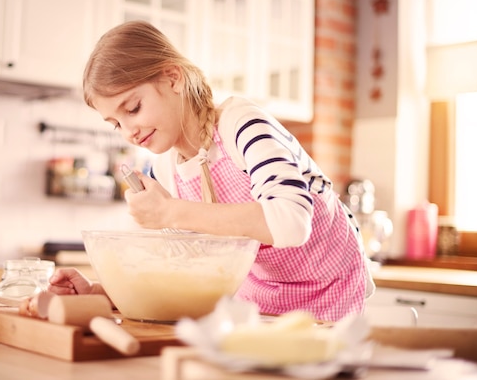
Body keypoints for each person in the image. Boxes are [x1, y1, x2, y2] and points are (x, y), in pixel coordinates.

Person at [49, 20, 375, 322]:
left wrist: (171, 212)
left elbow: (291, 222)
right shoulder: (167, 168)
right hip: (261, 298)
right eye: (116, 123)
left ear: (172, 78)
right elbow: (187, 272)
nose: (128, 131)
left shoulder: (241, 124)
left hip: (332, 286)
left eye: (133, 108)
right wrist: (101, 295)